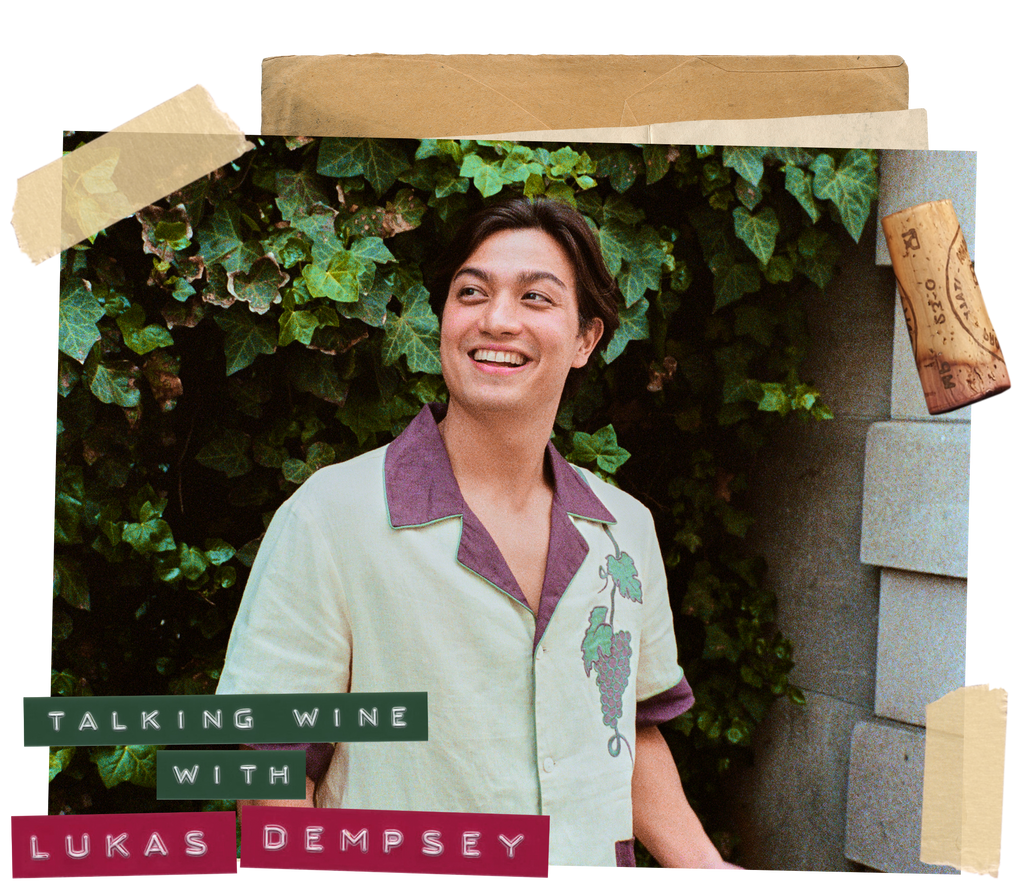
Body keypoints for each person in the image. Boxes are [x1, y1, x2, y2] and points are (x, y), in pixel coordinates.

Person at [217, 196, 743, 871]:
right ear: (443, 317)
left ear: (586, 338)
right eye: (472, 292)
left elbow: (628, 729)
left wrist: (704, 864)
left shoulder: (625, 531)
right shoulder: (330, 516)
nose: (498, 320)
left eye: (536, 298)